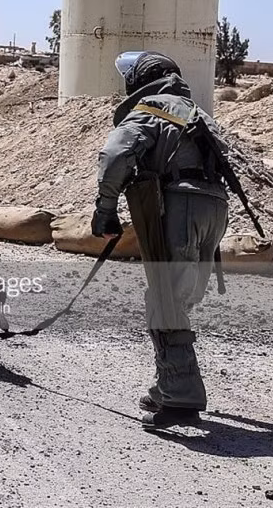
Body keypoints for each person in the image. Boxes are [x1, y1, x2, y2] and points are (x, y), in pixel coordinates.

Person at [91, 51, 229, 429]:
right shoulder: (195, 111)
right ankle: (168, 383)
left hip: (179, 203)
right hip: (214, 209)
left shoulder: (152, 107)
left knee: (165, 298)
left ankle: (182, 396)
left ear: (140, 80)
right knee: (177, 298)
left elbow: (116, 154)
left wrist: (105, 209)